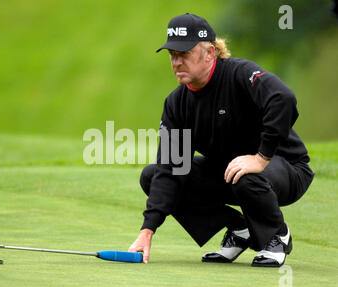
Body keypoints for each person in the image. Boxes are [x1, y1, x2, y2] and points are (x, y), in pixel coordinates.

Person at [128, 13, 315, 267]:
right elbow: (172, 167)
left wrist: (261, 158)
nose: (176, 62)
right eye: (173, 55)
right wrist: (147, 230)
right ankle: (239, 230)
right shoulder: (177, 103)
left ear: (210, 53)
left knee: (244, 172)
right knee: (153, 175)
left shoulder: (239, 74)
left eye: (184, 54)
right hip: (230, 172)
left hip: (286, 168)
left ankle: (276, 235)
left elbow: (283, 98)